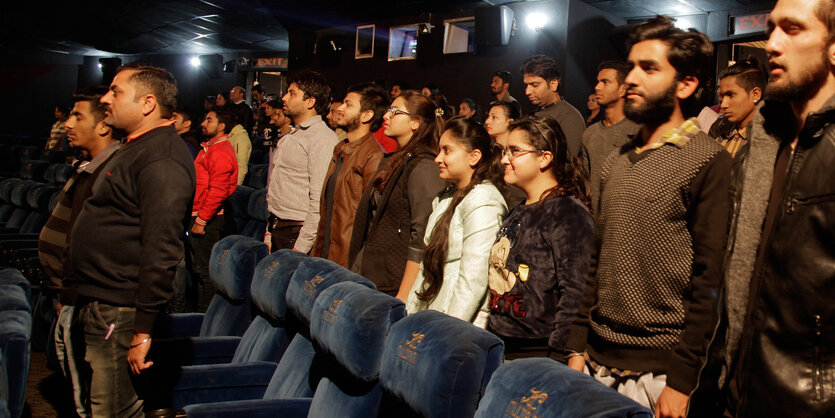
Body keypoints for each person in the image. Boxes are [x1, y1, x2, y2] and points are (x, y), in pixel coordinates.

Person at [565, 16, 731, 416]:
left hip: (660, 370)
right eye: (631, 66)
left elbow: (710, 282)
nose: (630, 79)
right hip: (595, 359)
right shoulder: (617, 160)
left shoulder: (708, 159)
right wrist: (577, 344)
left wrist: (683, 380)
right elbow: (598, 260)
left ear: (686, 84)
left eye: (649, 67)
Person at [690, 0, 835, 415]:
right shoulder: (765, 137)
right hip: (732, 392)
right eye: (771, 28)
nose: (771, 43)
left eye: (792, 29)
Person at [70, 63, 195, 416]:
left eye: (115, 91)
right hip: (103, 300)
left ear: (147, 103)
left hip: (121, 309)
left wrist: (142, 331)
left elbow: (161, 248)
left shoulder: (162, 158)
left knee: (113, 410)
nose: (106, 99)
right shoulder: (136, 147)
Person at [38, 85, 121, 418]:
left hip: (86, 300)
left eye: (77, 116)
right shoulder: (87, 168)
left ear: (102, 125)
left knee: (91, 402)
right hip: (68, 295)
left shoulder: (111, 171)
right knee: (78, 395)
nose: (67, 124)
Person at [487, 116, 594, 360]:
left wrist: (567, 356)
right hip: (502, 344)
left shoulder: (567, 212)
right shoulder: (519, 209)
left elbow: (577, 293)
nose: (505, 159)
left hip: (539, 351)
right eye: (505, 151)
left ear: (544, 158)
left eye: (515, 151)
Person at [404, 116, 507, 325]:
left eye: (447, 151)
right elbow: (425, 270)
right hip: (429, 316)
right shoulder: (446, 198)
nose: (438, 158)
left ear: (474, 157)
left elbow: (473, 281)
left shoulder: (484, 199)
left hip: (454, 327)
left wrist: (446, 333)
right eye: (439, 150)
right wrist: (407, 318)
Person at [348, 90, 446, 297]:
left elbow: (421, 237)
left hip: (392, 281)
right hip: (370, 269)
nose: (386, 116)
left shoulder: (423, 166)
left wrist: (404, 296)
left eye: (395, 112)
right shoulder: (395, 159)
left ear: (415, 123)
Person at [310, 83, 386, 267]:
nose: (340, 109)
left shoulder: (373, 155)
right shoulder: (341, 148)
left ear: (367, 115)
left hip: (345, 261)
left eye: (348, 104)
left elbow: (370, 219)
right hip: (324, 254)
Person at [266, 69, 338, 252]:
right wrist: (268, 231)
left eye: (292, 93)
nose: (284, 98)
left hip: (296, 232)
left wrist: (301, 247)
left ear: (310, 101)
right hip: (278, 226)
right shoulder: (292, 135)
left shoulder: (321, 138)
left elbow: (318, 201)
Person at [190, 109, 238, 311]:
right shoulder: (208, 148)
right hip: (198, 214)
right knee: (196, 270)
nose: (203, 123)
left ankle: (203, 318)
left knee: (204, 272)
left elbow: (218, 190)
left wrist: (201, 220)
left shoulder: (220, 151)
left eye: (209, 119)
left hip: (207, 219)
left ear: (221, 127)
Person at [581, 60, 641, 215]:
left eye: (605, 82)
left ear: (623, 90)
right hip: (594, 221)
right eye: (598, 82)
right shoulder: (590, 133)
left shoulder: (638, 131)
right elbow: (586, 181)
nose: (597, 87)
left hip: (626, 220)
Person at [520, 55, 586, 157]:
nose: (527, 91)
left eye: (534, 85)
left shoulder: (570, 117)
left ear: (553, 84)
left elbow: (567, 160)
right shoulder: (532, 115)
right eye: (526, 85)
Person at [708, 59, 765, 158]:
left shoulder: (769, 138)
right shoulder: (718, 128)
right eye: (722, 96)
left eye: (731, 95)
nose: (723, 105)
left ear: (755, 94)